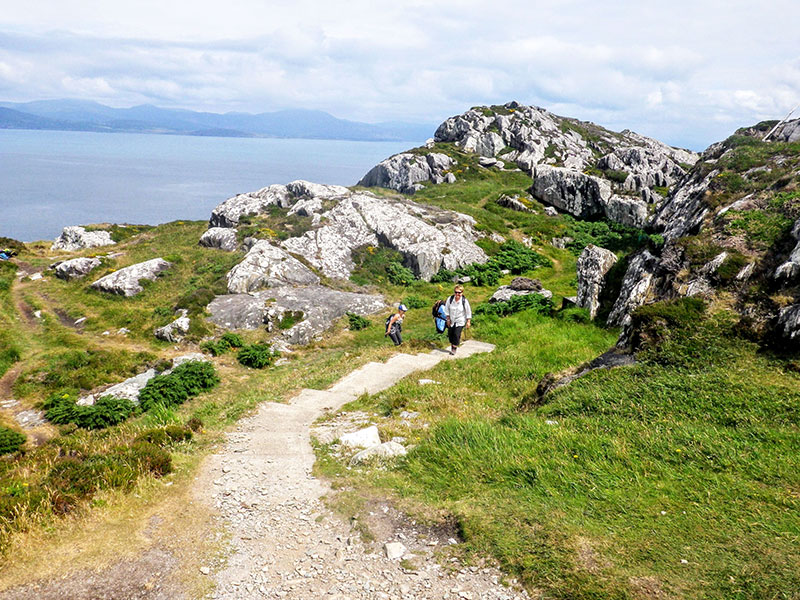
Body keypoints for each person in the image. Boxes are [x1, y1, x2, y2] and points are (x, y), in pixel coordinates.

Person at [444, 285, 471, 355]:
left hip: (460, 320)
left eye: (459, 292)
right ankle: (452, 344)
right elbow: (446, 310)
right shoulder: (450, 299)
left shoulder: (464, 301)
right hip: (451, 320)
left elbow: (468, 311)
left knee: (456, 334)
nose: (457, 294)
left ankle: (454, 348)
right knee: (450, 334)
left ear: (462, 292)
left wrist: (468, 321)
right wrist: (448, 320)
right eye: (456, 292)